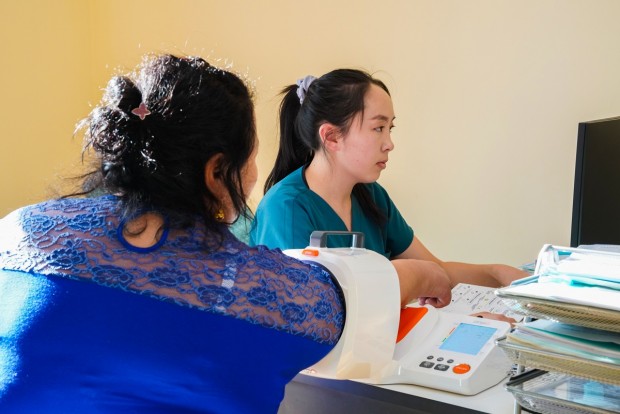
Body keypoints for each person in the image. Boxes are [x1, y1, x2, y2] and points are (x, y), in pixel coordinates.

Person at [0, 54, 345, 413]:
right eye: (252, 157)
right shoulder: (272, 290)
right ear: (216, 171)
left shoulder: (18, 232)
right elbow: (339, 312)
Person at [249, 69, 528, 311]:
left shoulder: (371, 195)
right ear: (331, 137)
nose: (389, 143)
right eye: (378, 128)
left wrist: (498, 273)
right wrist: (408, 276)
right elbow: (310, 313)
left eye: (390, 128)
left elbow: (437, 269)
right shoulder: (285, 209)